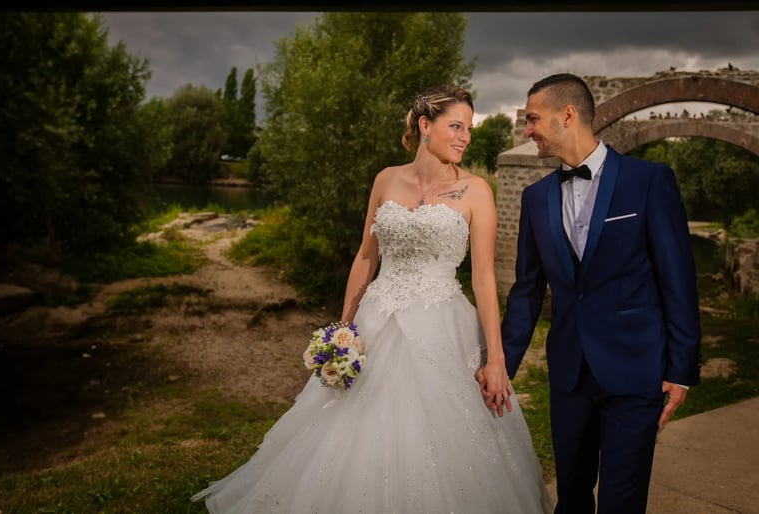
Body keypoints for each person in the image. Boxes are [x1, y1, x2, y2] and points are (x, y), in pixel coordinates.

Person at [191, 85, 553, 513]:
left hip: (443, 326)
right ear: (425, 126)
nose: (465, 137)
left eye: (468, 129)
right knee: (345, 427)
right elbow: (366, 257)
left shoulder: (476, 191)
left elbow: (485, 278)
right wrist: (342, 329)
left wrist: (495, 359)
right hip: (376, 321)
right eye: (456, 126)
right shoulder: (386, 179)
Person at [477, 73, 702, 514]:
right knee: (572, 497)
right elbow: (526, 293)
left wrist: (681, 369)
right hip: (568, 376)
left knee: (622, 502)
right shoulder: (535, 198)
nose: (526, 131)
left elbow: (678, 281)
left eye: (532, 119)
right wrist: (500, 364)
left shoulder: (649, 181)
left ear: (568, 115)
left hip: (636, 373)